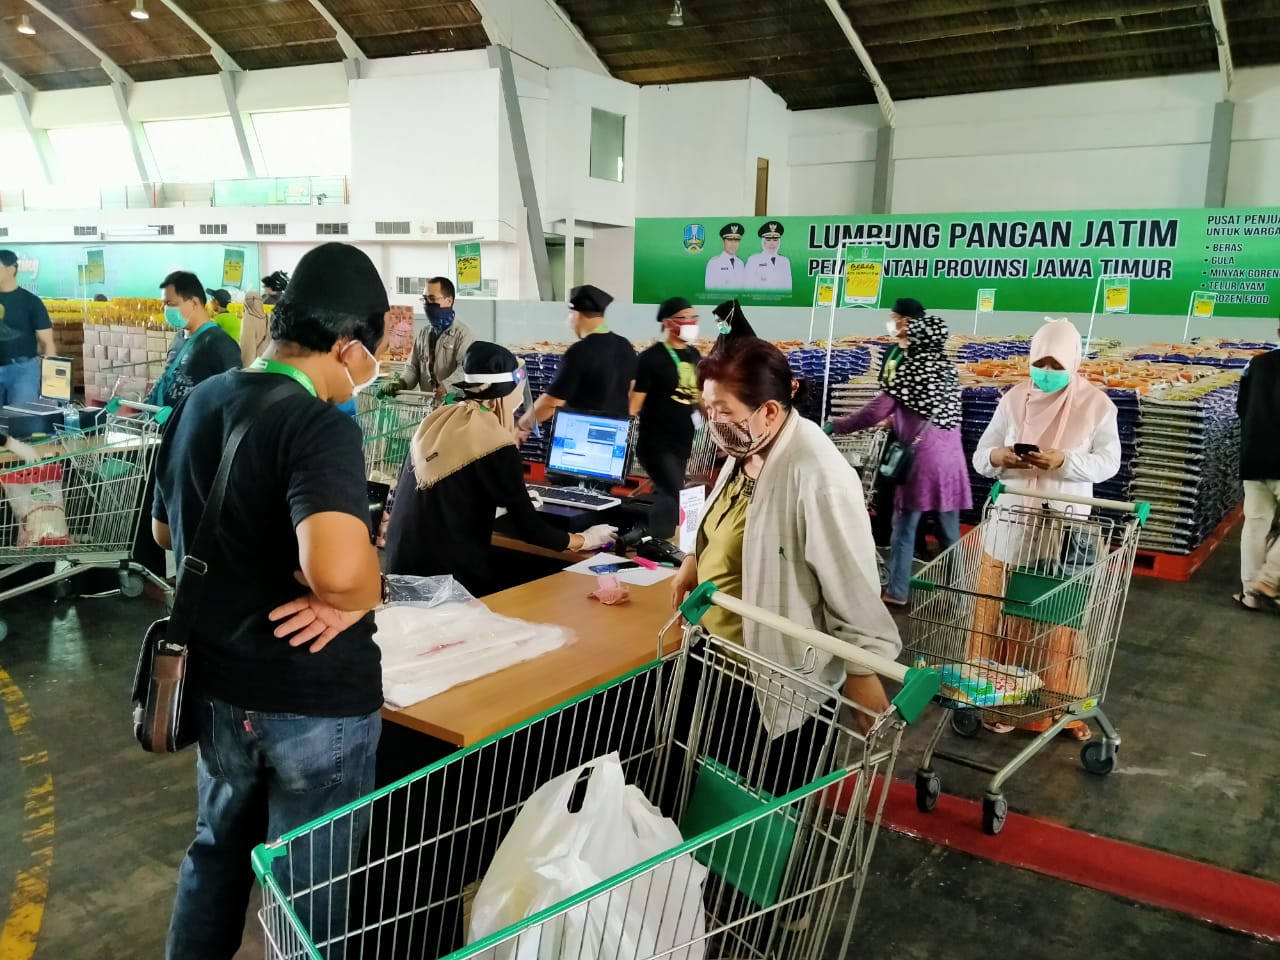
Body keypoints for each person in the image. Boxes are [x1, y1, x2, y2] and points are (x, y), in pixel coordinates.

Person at [154, 242, 390, 959]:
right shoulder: (318, 425)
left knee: (215, 854)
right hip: (311, 698)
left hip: (218, 684)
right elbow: (333, 572)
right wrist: (360, 592)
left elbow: (166, 527)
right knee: (306, 889)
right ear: (349, 348)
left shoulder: (204, 397)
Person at [670, 337, 901, 739]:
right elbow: (719, 519)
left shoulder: (816, 475)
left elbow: (852, 577)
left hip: (777, 677)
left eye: (722, 411)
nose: (711, 423)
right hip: (723, 659)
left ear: (770, 411)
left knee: (768, 792)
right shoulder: (750, 447)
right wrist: (694, 559)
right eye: (707, 410)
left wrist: (861, 668)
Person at [971, 317, 1121, 740]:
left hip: (1065, 531)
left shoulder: (1097, 406)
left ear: (1074, 361)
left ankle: (1058, 704)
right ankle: (1001, 699)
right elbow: (981, 457)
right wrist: (1002, 457)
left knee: (1057, 621)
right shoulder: (1014, 399)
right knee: (1005, 617)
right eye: (1041, 362)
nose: (1047, 371)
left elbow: (1109, 462)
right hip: (1011, 526)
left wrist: (1065, 463)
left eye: (1057, 363)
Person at [384, 342, 616, 596]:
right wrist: (583, 539)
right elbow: (528, 528)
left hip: (399, 574)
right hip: (446, 586)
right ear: (507, 395)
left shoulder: (438, 420)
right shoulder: (494, 443)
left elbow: (451, 489)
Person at [829, 314, 972, 608]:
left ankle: (897, 591)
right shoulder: (949, 372)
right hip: (952, 463)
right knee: (948, 534)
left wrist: (837, 424)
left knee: (905, 529)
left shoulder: (909, 371)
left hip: (921, 462)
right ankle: (958, 597)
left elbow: (873, 412)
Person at [517, 284, 636, 434]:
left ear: (576, 314)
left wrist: (522, 425)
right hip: (617, 435)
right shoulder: (624, 345)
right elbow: (632, 391)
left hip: (582, 437)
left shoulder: (579, 351)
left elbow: (551, 403)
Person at [629, 298, 703, 539]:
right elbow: (634, 404)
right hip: (656, 443)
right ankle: (657, 541)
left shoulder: (694, 354)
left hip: (682, 441)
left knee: (669, 493)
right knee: (675, 492)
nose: (691, 323)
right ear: (668, 323)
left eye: (694, 318)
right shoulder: (651, 358)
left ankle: (662, 540)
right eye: (685, 318)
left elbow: (699, 397)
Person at [146, 271, 242, 409]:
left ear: (194, 302)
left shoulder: (221, 344)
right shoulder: (178, 339)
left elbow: (233, 399)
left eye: (170, 303)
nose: (165, 309)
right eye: (164, 304)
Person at [1237, 329, 1280, 612]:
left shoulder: (1256, 363)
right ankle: (1270, 579)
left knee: (1255, 524)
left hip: (1254, 454)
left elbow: (1240, 407)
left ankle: (1251, 593)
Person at [384, 277, 473, 400]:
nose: (427, 304)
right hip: (427, 405)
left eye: (432, 299)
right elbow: (413, 367)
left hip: (452, 406)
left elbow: (465, 370)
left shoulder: (463, 334)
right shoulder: (424, 334)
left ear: (449, 300)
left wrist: (447, 386)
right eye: (425, 299)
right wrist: (402, 382)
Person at [0, 248, 55, 407]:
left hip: (22, 372)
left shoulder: (31, 302)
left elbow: (48, 342)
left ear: (11, 270)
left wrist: (50, 379)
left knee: (22, 421)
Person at [744, 221, 792, 291]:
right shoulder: (753, 260)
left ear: (779, 242)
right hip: (759, 300)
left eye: (775, 240)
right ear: (763, 242)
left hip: (779, 300)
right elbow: (747, 288)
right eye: (768, 240)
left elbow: (788, 288)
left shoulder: (785, 261)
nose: (772, 243)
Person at [704, 222, 746, 290]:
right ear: (723, 242)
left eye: (736, 240)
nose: (733, 244)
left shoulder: (740, 263)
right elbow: (710, 290)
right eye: (730, 240)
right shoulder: (714, 263)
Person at [238, 291, 270, 367]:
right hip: (265, 360)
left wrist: (246, 368)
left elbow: (247, 346)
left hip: (253, 363)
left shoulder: (248, 319)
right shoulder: (267, 317)